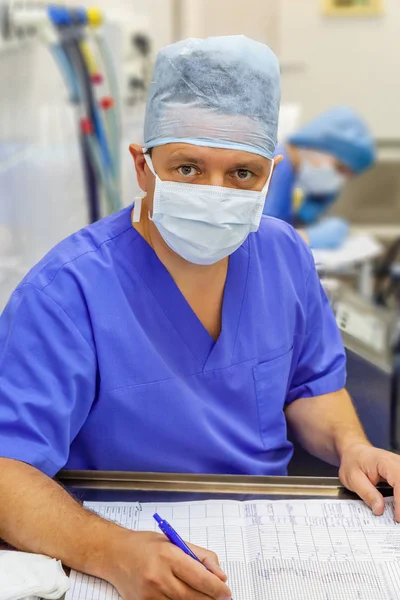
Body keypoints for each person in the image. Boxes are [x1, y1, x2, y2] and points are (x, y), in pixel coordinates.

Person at [0, 35, 399, 600]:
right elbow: (6, 471)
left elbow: (311, 387)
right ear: (143, 167)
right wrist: (113, 552)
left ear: (271, 173)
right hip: (121, 546)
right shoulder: (68, 292)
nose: (216, 194)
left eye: (242, 174)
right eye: (187, 167)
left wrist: (352, 447)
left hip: (276, 540)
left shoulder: (282, 254)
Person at [263, 106, 376, 249]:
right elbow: (259, 244)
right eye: (340, 168)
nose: (339, 180)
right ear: (316, 146)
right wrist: (305, 238)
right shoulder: (273, 165)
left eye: (348, 175)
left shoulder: (290, 177)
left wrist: (303, 218)